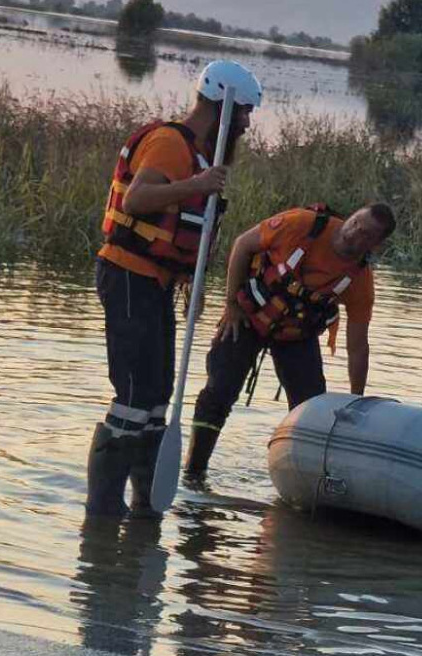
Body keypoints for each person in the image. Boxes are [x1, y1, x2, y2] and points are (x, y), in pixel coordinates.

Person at [87, 60, 263, 517]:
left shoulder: (201, 154)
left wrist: (193, 282)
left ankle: (145, 506)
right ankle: (103, 512)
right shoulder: (169, 143)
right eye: (242, 112)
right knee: (133, 395)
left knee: (158, 396)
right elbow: (138, 198)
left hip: (157, 283)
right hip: (128, 275)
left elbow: (186, 230)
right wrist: (195, 185)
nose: (246, 123)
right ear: (222, 105)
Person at [183, 203, 397, 482]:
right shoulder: (300, 224)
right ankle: (194, 472)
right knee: (219, 392)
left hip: (296, 336)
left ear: (376, 245)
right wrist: (231, 304)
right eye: (355, 222)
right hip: (247, 318)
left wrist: (356, 398)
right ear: (351, 216)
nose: (354, 232)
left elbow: (357, 345)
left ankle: (303, 481)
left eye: (366, 234)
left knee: (311, 409)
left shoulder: (360, 281)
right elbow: (242, 245)